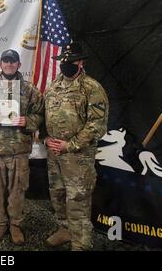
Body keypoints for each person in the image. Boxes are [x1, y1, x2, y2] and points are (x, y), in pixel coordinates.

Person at [43, 42, 109, 251]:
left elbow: (97, 126)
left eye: (71, 61)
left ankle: (80, 243)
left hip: (78, 157)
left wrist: (69, 145)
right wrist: (45, 138)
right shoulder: (54, 86)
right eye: (63, 61)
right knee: (58, 193)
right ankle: (65, 229)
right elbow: (44, 114)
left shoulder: (92, 88)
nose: (66, 65)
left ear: (80, 62)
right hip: (54, 154)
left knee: (77, 198)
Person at [0, 49, 44, 245]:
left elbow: (40, 115)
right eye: (6, 61)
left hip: (19, 148)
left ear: (18, 65)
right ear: (0, 64)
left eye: (13, 61)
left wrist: (28, 121)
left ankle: (15, 224)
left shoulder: (29, 89)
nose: (9, 64)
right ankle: (0, 223)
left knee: (17, 188)